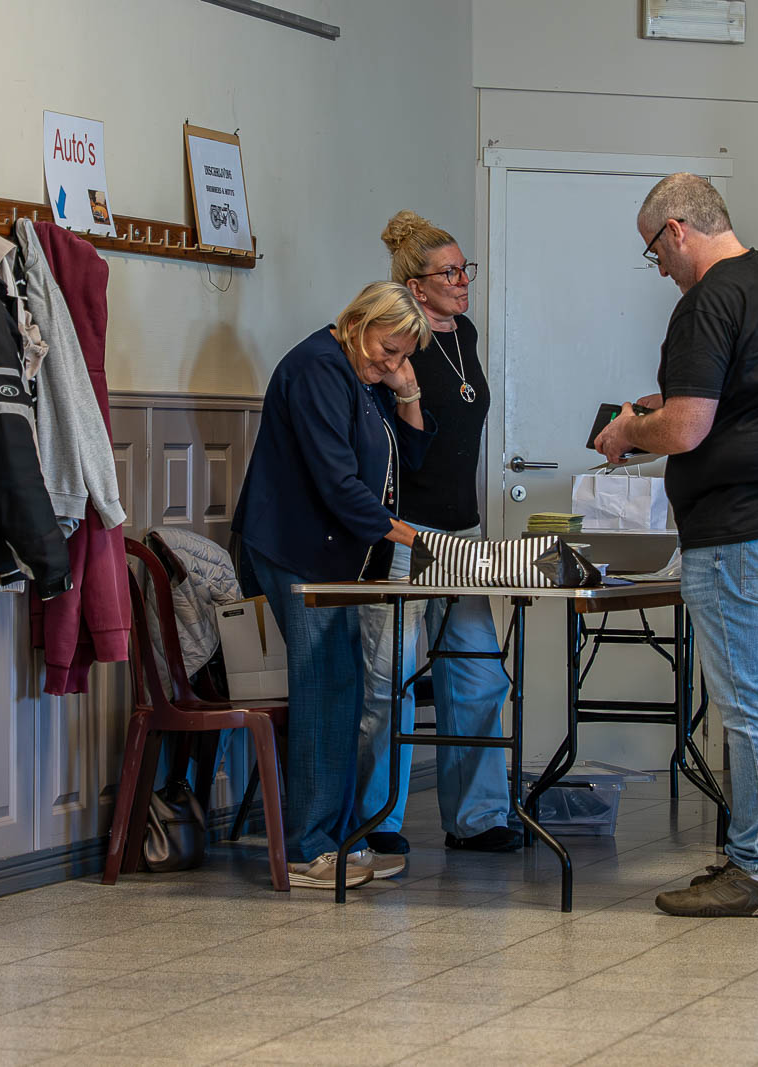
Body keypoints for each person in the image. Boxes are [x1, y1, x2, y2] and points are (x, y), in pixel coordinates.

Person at [596, 173, 758, 918]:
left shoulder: (706, 300)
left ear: (676, 230)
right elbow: (746, 400)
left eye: (654, 252)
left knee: (751, 706)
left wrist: (630, 428)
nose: (660, 269)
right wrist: (663, 404)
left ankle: (755, 872)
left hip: (744, 529)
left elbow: (687, 429)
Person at [232, 281, 435, 890]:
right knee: (324, 688)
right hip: (295, 548)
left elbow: (404, 461)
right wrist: (417, 540)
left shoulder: (361, 374)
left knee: (344, 688)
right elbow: (337, 483)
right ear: (356, 322)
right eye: (388, 350)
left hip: (331, 555)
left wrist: (407, 391)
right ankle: (309, 849)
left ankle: (341, 840)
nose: (392, 364)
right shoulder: (318, 368)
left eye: (403, 356)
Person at [353, 212, 519, 857]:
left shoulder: (464, 334)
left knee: (477, 673)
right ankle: (378, 820)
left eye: (463, 269)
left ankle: (479, 818)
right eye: (448, 273)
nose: (462, 280)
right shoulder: (398, 343)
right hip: (405, 533)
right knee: (387, 680)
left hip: (462, 531)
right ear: (415, 287)